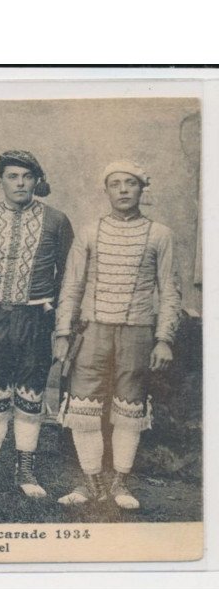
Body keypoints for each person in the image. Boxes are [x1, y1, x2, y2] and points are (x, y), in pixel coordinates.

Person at [55, 161, 181, 509]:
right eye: (115, 184)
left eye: (131, 183)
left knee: (129, 404)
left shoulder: (160, 234)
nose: (123, 190)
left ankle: (120, 483)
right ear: (106, 190)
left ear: (142, 189)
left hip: (138, 332)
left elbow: (170, 291)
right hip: (92, 330)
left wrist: (164, 339)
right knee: (83, 405)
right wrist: (63, 332)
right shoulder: (90, 231)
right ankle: (90, 481)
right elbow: (72, 285)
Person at [0, 150, 74, 500]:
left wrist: (64, 330)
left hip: (36, 320)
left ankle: (26, 469)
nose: (20, 183)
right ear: (0, 180)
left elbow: (70, 280)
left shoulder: (56, 221)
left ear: (36, 180)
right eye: (12, 176)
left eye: (26, 177)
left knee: (30, 395)